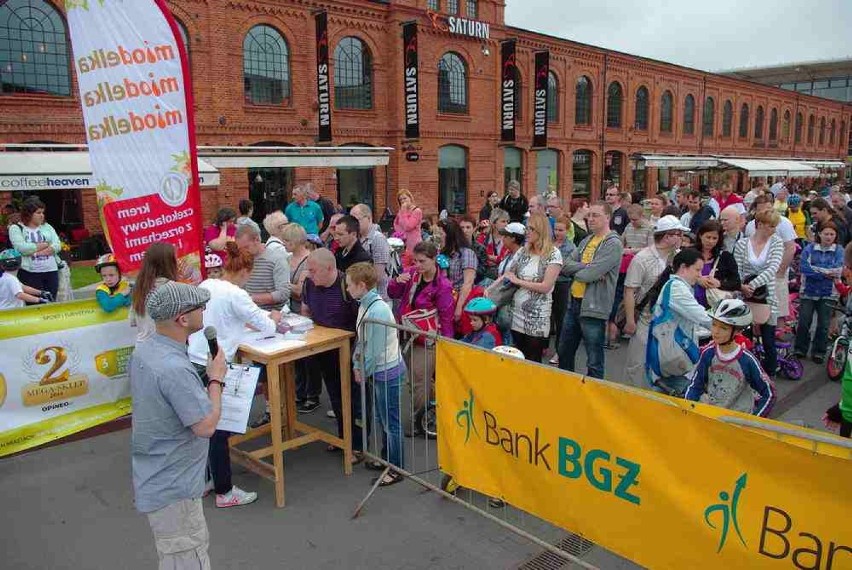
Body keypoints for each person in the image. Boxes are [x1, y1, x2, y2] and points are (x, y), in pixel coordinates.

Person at [130, 280, 226, 568]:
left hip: (157, 471)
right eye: (201, 307)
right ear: (182, 319)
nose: (204, 311)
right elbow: (206, 426)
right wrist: (216, 378)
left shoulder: (146, 348)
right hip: (174, 486)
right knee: (187, 557)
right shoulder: (173, 368)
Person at [187, 242, 282, 507]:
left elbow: (227, 318)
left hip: (194, 359)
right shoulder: (236, 294)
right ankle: (224, 491)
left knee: (203, 426)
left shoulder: (208, 284)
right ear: (246, 272)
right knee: (218, 427)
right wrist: (273, 317)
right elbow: (266, 325)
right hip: (214, 364)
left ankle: (209, 479)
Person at [301, 249, 365, 456]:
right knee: (336, 396)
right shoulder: (309, 284)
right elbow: (305, 310)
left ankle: (357, 445)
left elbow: (363, 322)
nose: (309, 275)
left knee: (354, 399)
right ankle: (342, 437)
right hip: (324, 350)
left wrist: (359, 356)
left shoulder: (347, 286)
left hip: (349, 351)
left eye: (313, 270)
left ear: (329, 268)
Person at [346, 262, 404, 484]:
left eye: (350, 285)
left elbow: (374, 348)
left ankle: (396, 468)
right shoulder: (365, 304)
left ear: (362, 285)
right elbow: (363, 340)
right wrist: (356, 364)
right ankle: (387, 459)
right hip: (380, 371)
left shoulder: (377, 309)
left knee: (391, 423)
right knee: (383, 419)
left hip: (387, 371)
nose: (348, 289)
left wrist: (362, 369)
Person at [387, 241, 454, 435]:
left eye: (422, 261)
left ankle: (420, 422)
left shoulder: (442, 285)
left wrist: (445, 344)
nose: (418, 265)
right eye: (415, 260)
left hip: (426, 339)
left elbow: (447, 317)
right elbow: (393, 293)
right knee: (418, 380)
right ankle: (433, 413)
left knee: (418, 380)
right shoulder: (412, 275)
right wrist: (396, 281)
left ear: (434, 260)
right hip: (408, 334)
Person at [558, 202, 623, 379]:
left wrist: (585, 271)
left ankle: (594, 397)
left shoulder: (613, 243)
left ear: (608, 218)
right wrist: (587, 267)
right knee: (564, 352)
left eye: (596, 215)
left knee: (594, 360)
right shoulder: (587, 240)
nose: (591, 219)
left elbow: (588, 275)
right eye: (590, 215)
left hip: (594, 308)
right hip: (574, 303)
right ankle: (567, 389)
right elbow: (565, 266)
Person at [622, 216, 684, 387]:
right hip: (645, 317)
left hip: (669, 320)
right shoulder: (642, 258)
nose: (682, 238)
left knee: (665, 364)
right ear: (667, 236)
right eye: (679, 234)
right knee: (637, 362)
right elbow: (629, 290)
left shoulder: (678, 258)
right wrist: (630, 320)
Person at [684, 300, 775, 416]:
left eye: (723, 328)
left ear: (737, 331)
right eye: (714, 324)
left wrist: (754, 419)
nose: (716, 331)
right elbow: (696, 385)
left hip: (738, 422)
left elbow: (769, 394)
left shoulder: (747, 360)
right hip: (715, 417)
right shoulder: (708, 354)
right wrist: (687, 409)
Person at [644, 248, 713, 395]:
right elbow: (700, 316)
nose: (700, 275)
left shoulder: (678, 286)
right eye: (697, 270)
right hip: (674, 358)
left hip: (671, 355)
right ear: (683, 267)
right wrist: (724, 326)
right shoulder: (677, 288)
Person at [502, 213, 562, 362]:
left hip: (537, 315)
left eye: (531, 229)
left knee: (533, 360)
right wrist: (489, 290)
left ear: (541, 231)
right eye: (527, 228)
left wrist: (518, 281)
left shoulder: (553, 254)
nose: (527, 232)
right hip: (517, 312)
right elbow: (508, 274)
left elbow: (546, 287)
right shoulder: (523, 251)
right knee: (519, 358)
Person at [735, 209, 784, 377]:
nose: (774, 230)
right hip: (744, 296)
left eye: (775, 226)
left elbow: (773, 269)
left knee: (768, 339)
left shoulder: (776, 242)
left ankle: (770, 373)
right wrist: (742, 287)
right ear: (760, 224)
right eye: (771, 226)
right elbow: (738, 268)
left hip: (767, 297)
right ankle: (745, 372)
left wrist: (752, 285)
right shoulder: (742, 244)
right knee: (744, 339)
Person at [794, 222, 844, 363]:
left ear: (835, 236)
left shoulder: (839, 250)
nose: (828, 237)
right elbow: (804, 269)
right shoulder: (809, 249)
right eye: (826, 234)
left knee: (823, 324)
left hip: (829, 293)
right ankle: (800, 348)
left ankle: (819, 351)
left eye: (832, 234)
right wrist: (825, 273)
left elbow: (837, 270)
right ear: (819, 234)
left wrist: (816, 270)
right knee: (804, 322)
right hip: (808, 291)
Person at [746, 195, 797, 324]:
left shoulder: (784, 222)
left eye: (768, 208)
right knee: (756, 309)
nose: (766, 213)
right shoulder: (751, 225)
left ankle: (777, 333)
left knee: (777, 309)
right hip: (754, 275)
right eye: (761, 210)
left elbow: (790, 248)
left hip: (776, 273)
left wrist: (780, 271)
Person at [8, 196, 61, 300]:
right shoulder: (16, 228)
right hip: (29, 272)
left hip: (51, 271)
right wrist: (45, 244)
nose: (42, 215)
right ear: (28, 214)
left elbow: (57, 245)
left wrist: (36, 253)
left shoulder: (47, 227)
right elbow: (21, 248)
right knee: (35, 303)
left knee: (51, 301)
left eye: (42, 212)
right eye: (38, 213)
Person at [131, 242, 179, 345]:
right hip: (164, 348)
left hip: (142, 347)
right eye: (175, 260)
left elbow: (133, 321)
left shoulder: (139, 288)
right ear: (169, 264)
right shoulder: (173, 288)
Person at [234, 224, 291, 311]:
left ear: (257, 240)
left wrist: (251, 298)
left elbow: (283, 293)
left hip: (274, 313)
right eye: (240, 249)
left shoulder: (277, 259)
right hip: (250, 312)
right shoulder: (243, 260)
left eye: (246, 247)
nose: (243, 252)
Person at [693, 220, 740, 309]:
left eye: (714, 238)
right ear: (700, 236)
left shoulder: (725, 256)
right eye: (708, 237)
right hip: (691, 302)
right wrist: (697, 280)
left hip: (714, 304)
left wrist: (719, 283)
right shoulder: (689, 253)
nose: (710, 241)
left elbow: (736, 282)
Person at [439, 218, 477, 325]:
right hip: (445, 299)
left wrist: (459, 308)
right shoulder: (443, 254)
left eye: (441, 234)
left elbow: (468, 283)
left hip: (459, 299)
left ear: (449, 235)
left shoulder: (466, 253)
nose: (439, 237)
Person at [550, 217, 576, 364]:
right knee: (547, 316)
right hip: (549, 284)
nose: (557, 233)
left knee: (561, 319)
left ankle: (559, 352)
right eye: (556, 229)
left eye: (561, 230)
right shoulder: (550, 243)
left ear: (567, 231)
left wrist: (553, 270)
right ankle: (544, 345)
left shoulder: (571, 247)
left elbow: (566, 268)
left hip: (562, 285)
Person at [351, 204, 391, 300]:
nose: (353, 225)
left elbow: (378, 276)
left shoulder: (378, 239)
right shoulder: (358, 239)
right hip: (364, 297)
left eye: (356, 220)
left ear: (368, 218)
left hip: (379, 298)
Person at [477, 208, 510, 281]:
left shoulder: (509, 238)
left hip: (503, 275)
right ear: (494, 223)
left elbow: (507, 259)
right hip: (485, 274)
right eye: (503, 221)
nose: (506, 224)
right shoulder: (484, 237)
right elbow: (477, 254)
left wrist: (489, 257)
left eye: (507, 221)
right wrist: (495, 258)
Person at [459, 214, 488, 284]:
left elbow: (483, 270)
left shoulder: (481, 248)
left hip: (474, 282)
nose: (464, 230)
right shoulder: (454, 247)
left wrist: (469, 269)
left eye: (468, 227)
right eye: (462, 228)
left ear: (474, 228)